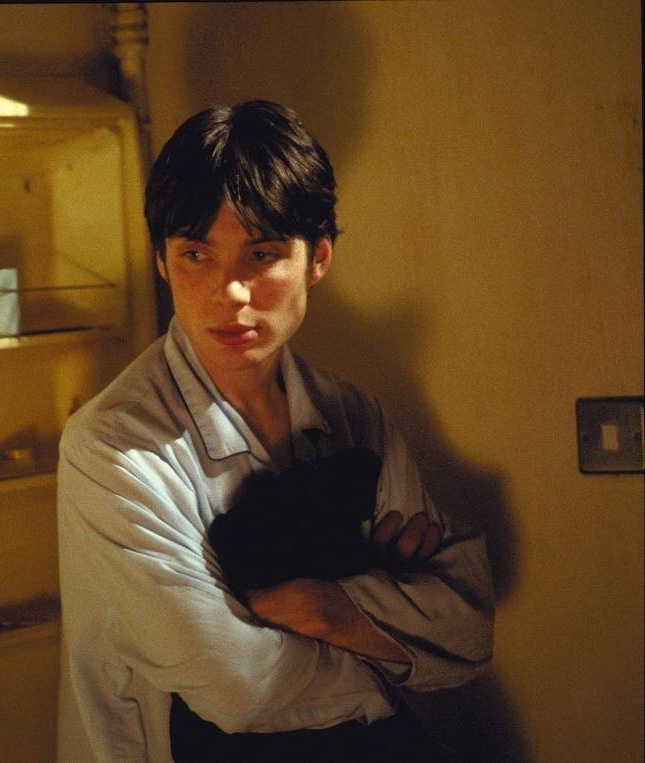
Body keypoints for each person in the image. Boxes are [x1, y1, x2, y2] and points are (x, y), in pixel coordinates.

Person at [56, 100, 494, 762]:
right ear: (161, 262)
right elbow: (237, 686)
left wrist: (327, 608)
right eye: (195, 254)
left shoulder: (354, 416)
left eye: (260, 255)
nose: (230, 292)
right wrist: (389, 638)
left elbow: (467, 625)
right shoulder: (112, 447)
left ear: (318, 258)